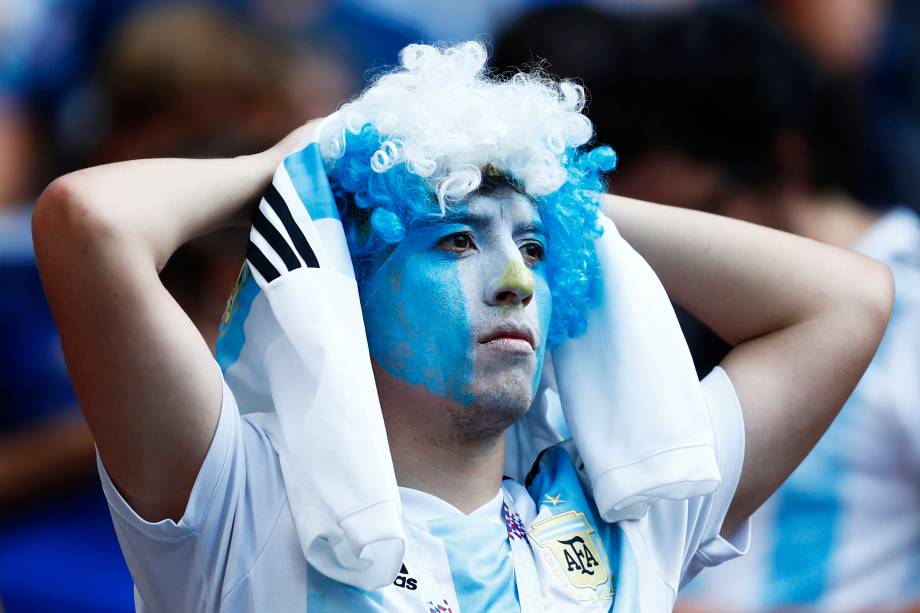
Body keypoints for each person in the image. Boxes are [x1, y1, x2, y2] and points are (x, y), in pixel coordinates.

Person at [33, 42, 892, 612]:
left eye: (533, 247)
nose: (517, 280)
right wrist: (291, 170)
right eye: (454, 240)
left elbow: (849, 298)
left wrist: (561, 193)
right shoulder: (244, 497)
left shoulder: (633, 504)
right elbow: (89, 222)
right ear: (349, 292)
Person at [497, 5, 920, 611]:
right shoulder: (660, 320)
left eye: (698, 216)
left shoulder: (910, 304)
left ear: (785, 160)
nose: (674, 270)